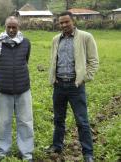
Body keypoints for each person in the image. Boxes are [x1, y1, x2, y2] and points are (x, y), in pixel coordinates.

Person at [46, 11, 99, 162]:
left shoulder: (85, 37)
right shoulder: (56, 39)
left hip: (76, 86)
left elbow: (93, 61)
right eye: (61, 23)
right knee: (58, 119)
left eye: (66, 22)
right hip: (59, 86)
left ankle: (88, 153)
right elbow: (54, 60)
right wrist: (54, 79)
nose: (63, 25)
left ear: (73, 21)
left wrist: (84, 78)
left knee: (82, 121)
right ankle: (57, 146)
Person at [0, 16, 34, 161]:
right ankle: (2, 153)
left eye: (14, 27)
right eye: (9, 27)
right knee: (3, 123)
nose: (11, 30)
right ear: (5, 26)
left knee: (26, 122)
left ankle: (27, 154)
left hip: (23, 89)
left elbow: (25, 60)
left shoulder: (26, 42)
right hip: (3, 90)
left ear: (18, 27)